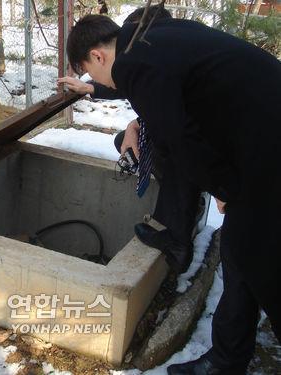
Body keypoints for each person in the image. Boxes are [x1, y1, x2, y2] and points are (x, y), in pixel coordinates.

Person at [64, 13, 281, 375]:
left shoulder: (138, 64)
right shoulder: (148, 36)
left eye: (90, 71)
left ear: (98, 57)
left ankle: (226, 361)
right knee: (242, 252)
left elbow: (181, 140)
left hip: (267, 148)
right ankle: (227, 360)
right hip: (259, 134)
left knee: (254, 255)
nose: (96, 79)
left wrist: (224, 186)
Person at [59, 5, 203, 274]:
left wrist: (222, 187)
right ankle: (181, 208)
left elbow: (181, 131)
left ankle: (176, 236)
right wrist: (94, 90)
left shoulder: (155, 63)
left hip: (229, 148)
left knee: (175, 160)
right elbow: (127, 87)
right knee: (129, 142)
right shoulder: (165, 55)